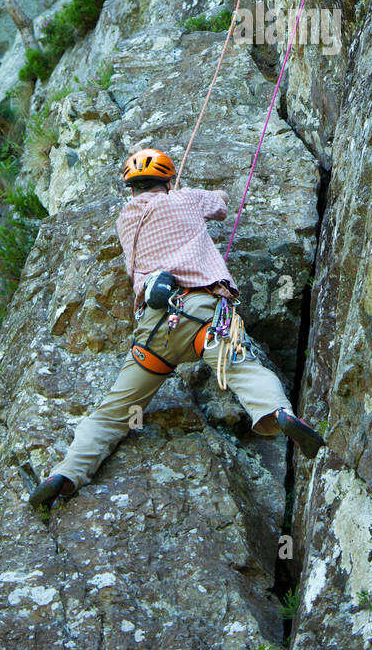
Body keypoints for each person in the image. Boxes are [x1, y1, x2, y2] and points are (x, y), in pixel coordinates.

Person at [29, 147, 325, 508]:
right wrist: (193, 193)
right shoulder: (183, 199)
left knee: (112, 412)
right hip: (202, 314)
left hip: (154, 331)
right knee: (242, 367)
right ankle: (278, 413)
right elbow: (219, 204)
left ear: (131, 188)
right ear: (168, 180)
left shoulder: (125, 219)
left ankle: (65, 474)